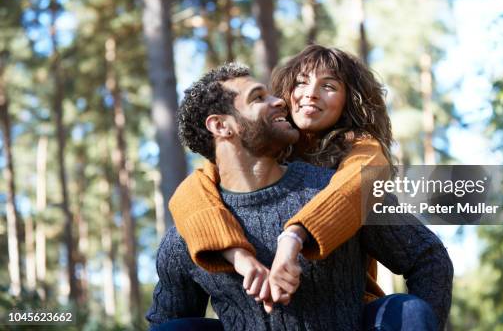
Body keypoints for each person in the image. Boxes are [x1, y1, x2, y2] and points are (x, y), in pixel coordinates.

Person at [147, 64, 453, 330]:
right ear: (220, 126)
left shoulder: (340, 190)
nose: (279, 100)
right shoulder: (190, 230)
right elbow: (165, 317)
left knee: (408, 312)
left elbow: (428, 258)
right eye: (258, 97)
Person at [170, 46, 395, 308]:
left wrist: (294, 237)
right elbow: (189, 194)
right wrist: (237, 254)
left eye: (329, 86)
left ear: (349, 101)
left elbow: (358, 184)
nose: (311, 93)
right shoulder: (271, 146)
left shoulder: (363, 148)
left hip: (349, 306)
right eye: (301, 83)